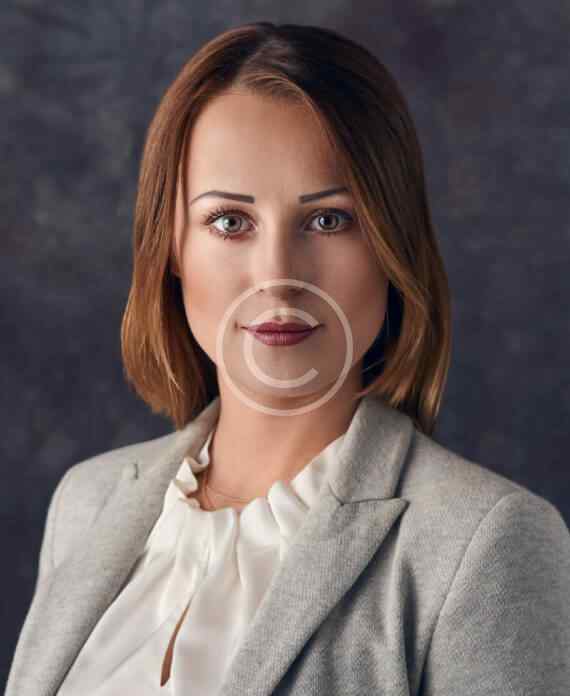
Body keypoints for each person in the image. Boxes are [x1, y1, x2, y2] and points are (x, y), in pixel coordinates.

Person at [7, 21, 570, 696]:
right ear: (172, 248)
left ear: (392, 246)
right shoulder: (87, 502)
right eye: (229, 221)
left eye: (329, 220)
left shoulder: (487, 543)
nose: (277, 276)